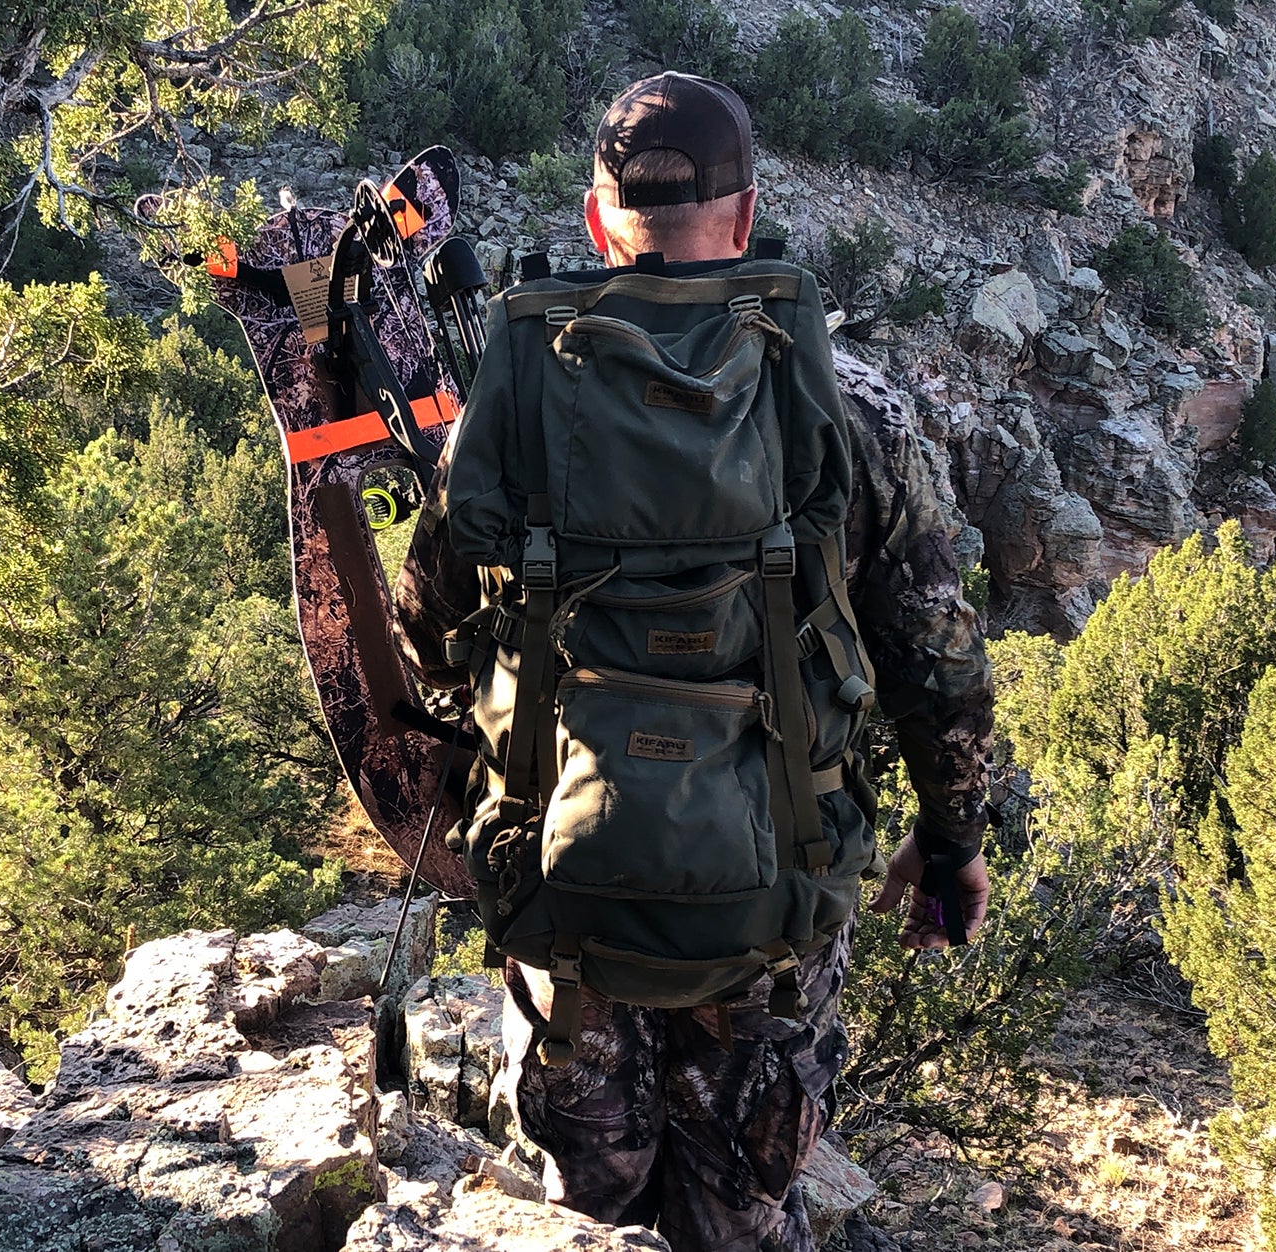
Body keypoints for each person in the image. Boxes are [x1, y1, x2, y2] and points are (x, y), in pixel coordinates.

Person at [395, 72, 993, 1252]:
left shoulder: (504, 407)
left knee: (583, 1221)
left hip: (568, 896)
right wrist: (954, 839)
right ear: (745, 213)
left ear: (593, 217)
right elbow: (937, 660)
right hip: (769, 911)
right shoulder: (847, 406)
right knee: (741, 1218)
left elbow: (426, 629)